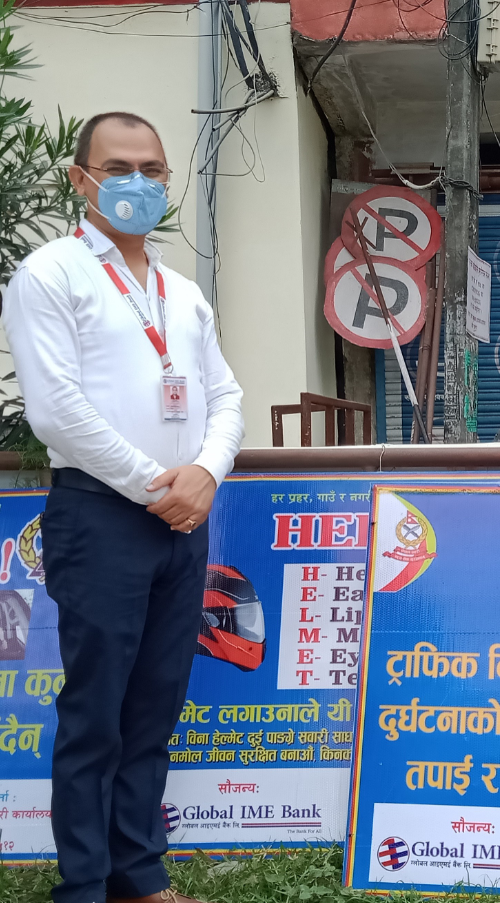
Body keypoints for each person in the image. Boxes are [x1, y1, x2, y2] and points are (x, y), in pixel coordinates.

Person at [3, 112, 244, 903]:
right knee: (96, 711)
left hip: (182, 521)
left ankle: (139, 875)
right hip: (100, 517)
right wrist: (158, 486)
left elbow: (226, 396)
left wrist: (204, 472)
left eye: (152, 169)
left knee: (153, 708)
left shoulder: (183, 293)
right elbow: (57, 411)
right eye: (117, 168)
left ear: (167, 181)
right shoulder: (51, 274)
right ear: (81, 179)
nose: (136, 183)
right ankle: (84, 885)